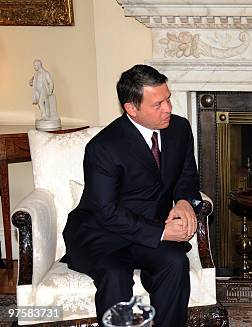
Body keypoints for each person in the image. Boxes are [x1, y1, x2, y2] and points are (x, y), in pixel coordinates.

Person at [62, 64, 203, 327]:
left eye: (168, 98)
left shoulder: (180, 130)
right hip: (102, 232)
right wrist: (161, 233)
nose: (168, 108)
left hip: (149, 230)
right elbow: (106, 211)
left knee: (175, 263)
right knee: (115, 274)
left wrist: (184, 201)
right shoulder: (103, 147)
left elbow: (187, 177)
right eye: (158, 104)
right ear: (131, 108)